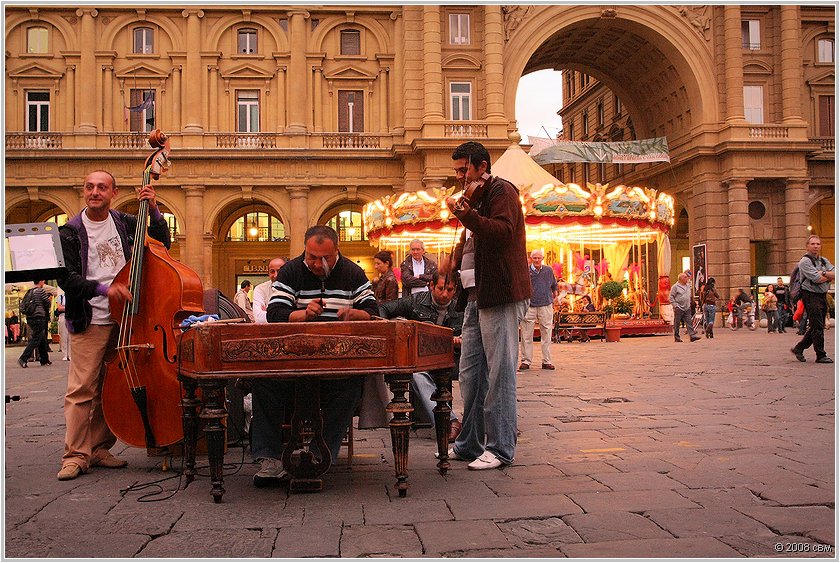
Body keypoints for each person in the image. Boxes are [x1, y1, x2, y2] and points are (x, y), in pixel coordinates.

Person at [55, 170, 169, 481]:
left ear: (113, 193)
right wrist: (107, 290)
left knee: (109, 387)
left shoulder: (125, 223)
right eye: (90, 187)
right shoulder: (70, 231)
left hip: (127, 318)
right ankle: (75, 456)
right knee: (82, 390)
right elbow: (66, 279)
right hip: (91, 316)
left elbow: (162, 242)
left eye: (102, 187)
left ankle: (100, 447)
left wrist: (155, 209)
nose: (95, 192)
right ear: (83, 191)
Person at [250, 225, 378, 487]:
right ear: (305, 250)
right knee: (262, 382)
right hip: (291, 362)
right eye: (312, 257)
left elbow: (373, 311)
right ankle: (270, 458)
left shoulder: (353, 273)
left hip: (336, 363)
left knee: (352, 386)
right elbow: (274, 315)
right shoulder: (291, 271)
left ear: (336, 251)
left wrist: (355, 314)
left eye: (325, 258)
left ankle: (323, 454)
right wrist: (303, 315)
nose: (318, 264)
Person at [444, 141, 530, 471]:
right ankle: (469, 443)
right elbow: (472, 248)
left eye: (464, 170)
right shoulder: (476, 198)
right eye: (457, 172)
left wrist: (468, 215)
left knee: (499, 375)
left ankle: (501, 447)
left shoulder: (501, 191)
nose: (460, 177)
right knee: (471, 375)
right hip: (475, 299)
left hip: (499, 295)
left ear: (482, 166)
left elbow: (504, 232)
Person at [378, 272, 464, 441]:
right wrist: (392, 332)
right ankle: (449, 422)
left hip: (452, 360)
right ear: (431, 286)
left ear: (455, 290)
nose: (445, 294)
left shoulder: (460, 308)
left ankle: (477, 425)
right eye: (440, 288)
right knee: (416, 376)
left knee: (478, 374)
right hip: (422, 360)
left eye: (450, 289)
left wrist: (461, 340)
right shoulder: (416, 301)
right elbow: (384, 308)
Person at [791, 235, 835, 363]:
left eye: (818, 244)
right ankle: (820, 355)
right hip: (810, 295)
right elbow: (816, 279)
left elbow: (835, 273)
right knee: (817, 327)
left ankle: (799, 348)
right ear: (807, 246)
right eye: (813, 244)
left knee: (817, 325)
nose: (815, 246)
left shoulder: (823, 260)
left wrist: (824, 274)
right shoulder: (805, 261)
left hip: (822, 295)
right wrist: (827, 275)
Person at [518, 249, 558, 371]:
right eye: (534, 258)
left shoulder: (548, 270)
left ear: (542, 258)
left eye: (538, 258)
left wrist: (555, 293)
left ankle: (547, 360)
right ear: (530, 258)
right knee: (526, 334)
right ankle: (526, 360)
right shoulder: (525, 271)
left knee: (546, 332)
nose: (536, 260)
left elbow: (554, 284)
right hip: (529, 305)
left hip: (545, 304)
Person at [17, 280, 52, 368]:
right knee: (36, 338)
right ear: (40, 281)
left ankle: (44, 359)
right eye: (43, 281)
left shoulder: (29, 291)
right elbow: (48, 304)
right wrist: (49, 300)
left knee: (41, 336)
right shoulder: (41, 291)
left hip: (30, 317)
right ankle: (23, 358)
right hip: (39, 317)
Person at [252, 258, 286, 324]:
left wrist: (269, 312)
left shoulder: (294, 288)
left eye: (279, 271)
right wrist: (285, 314)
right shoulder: (260, 289)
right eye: (272, 271)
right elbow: (259, 319)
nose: (276, 275)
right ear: (268, 273)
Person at [669, 272, 700, 343]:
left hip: (687, 307)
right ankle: (677, 337)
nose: (687, 278)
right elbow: (671, 297)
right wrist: (675, 305)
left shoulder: (688, 286)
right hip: (679, 307)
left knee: (689, 321)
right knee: (677, 322)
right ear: (681, 279)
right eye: (685, 277)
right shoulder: (675, 287)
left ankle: (692, 336)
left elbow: (689, 295)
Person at [55, 290, 70, 360]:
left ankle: (70, 354)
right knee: (64, 336)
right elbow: (59, 308)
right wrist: (69, 308)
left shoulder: (72, 296)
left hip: (70, 316)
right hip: (62, 317)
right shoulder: (60, 297)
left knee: (70, 336)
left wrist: (64, 307)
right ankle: (65, 354)